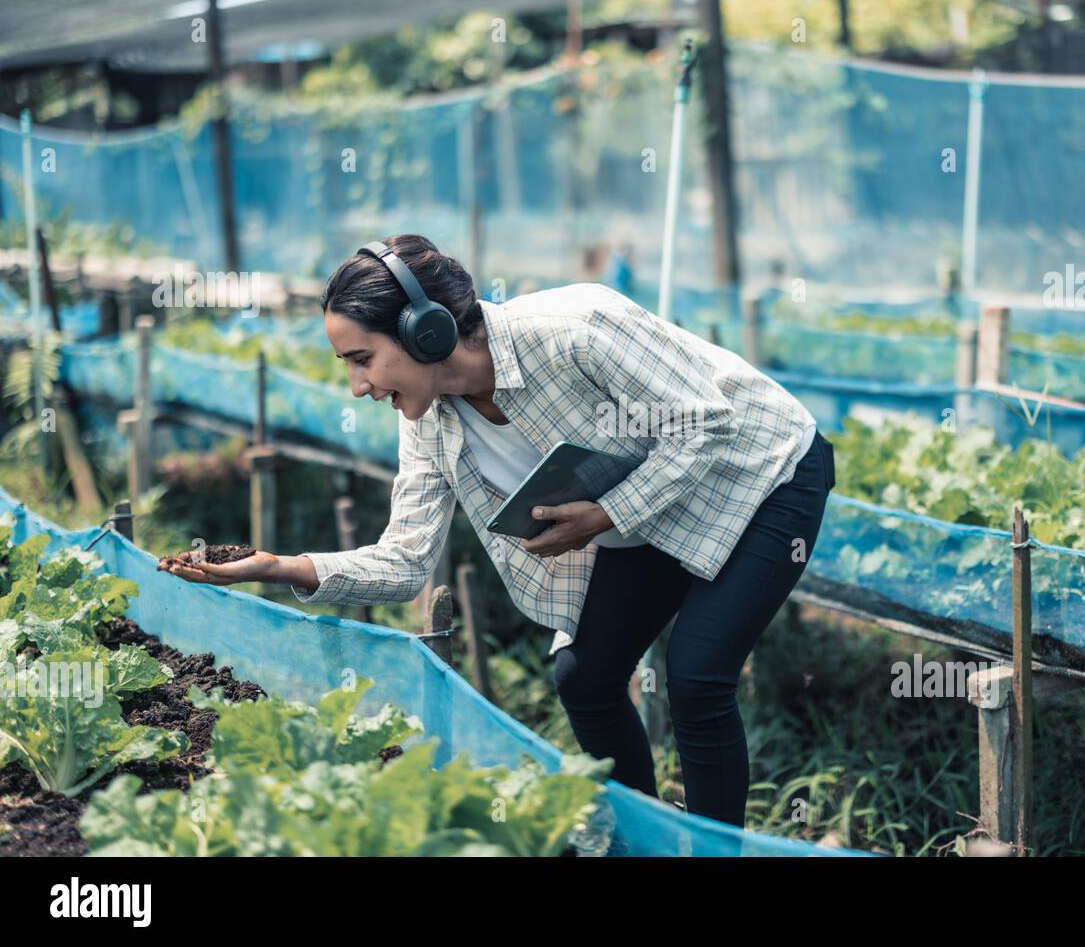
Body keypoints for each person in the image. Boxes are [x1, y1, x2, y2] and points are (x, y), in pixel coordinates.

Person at [159, 232, 836, 830]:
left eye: (362, 358)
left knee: (694, 672)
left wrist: (604, 515)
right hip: (652, 502)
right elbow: (404, 562)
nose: (358, 386)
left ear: (424, 329)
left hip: (763, 471)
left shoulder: (578, 327)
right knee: (585, 675)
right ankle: (640, 840)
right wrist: (275, 566)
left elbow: (706, 422)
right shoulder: (428, 421)